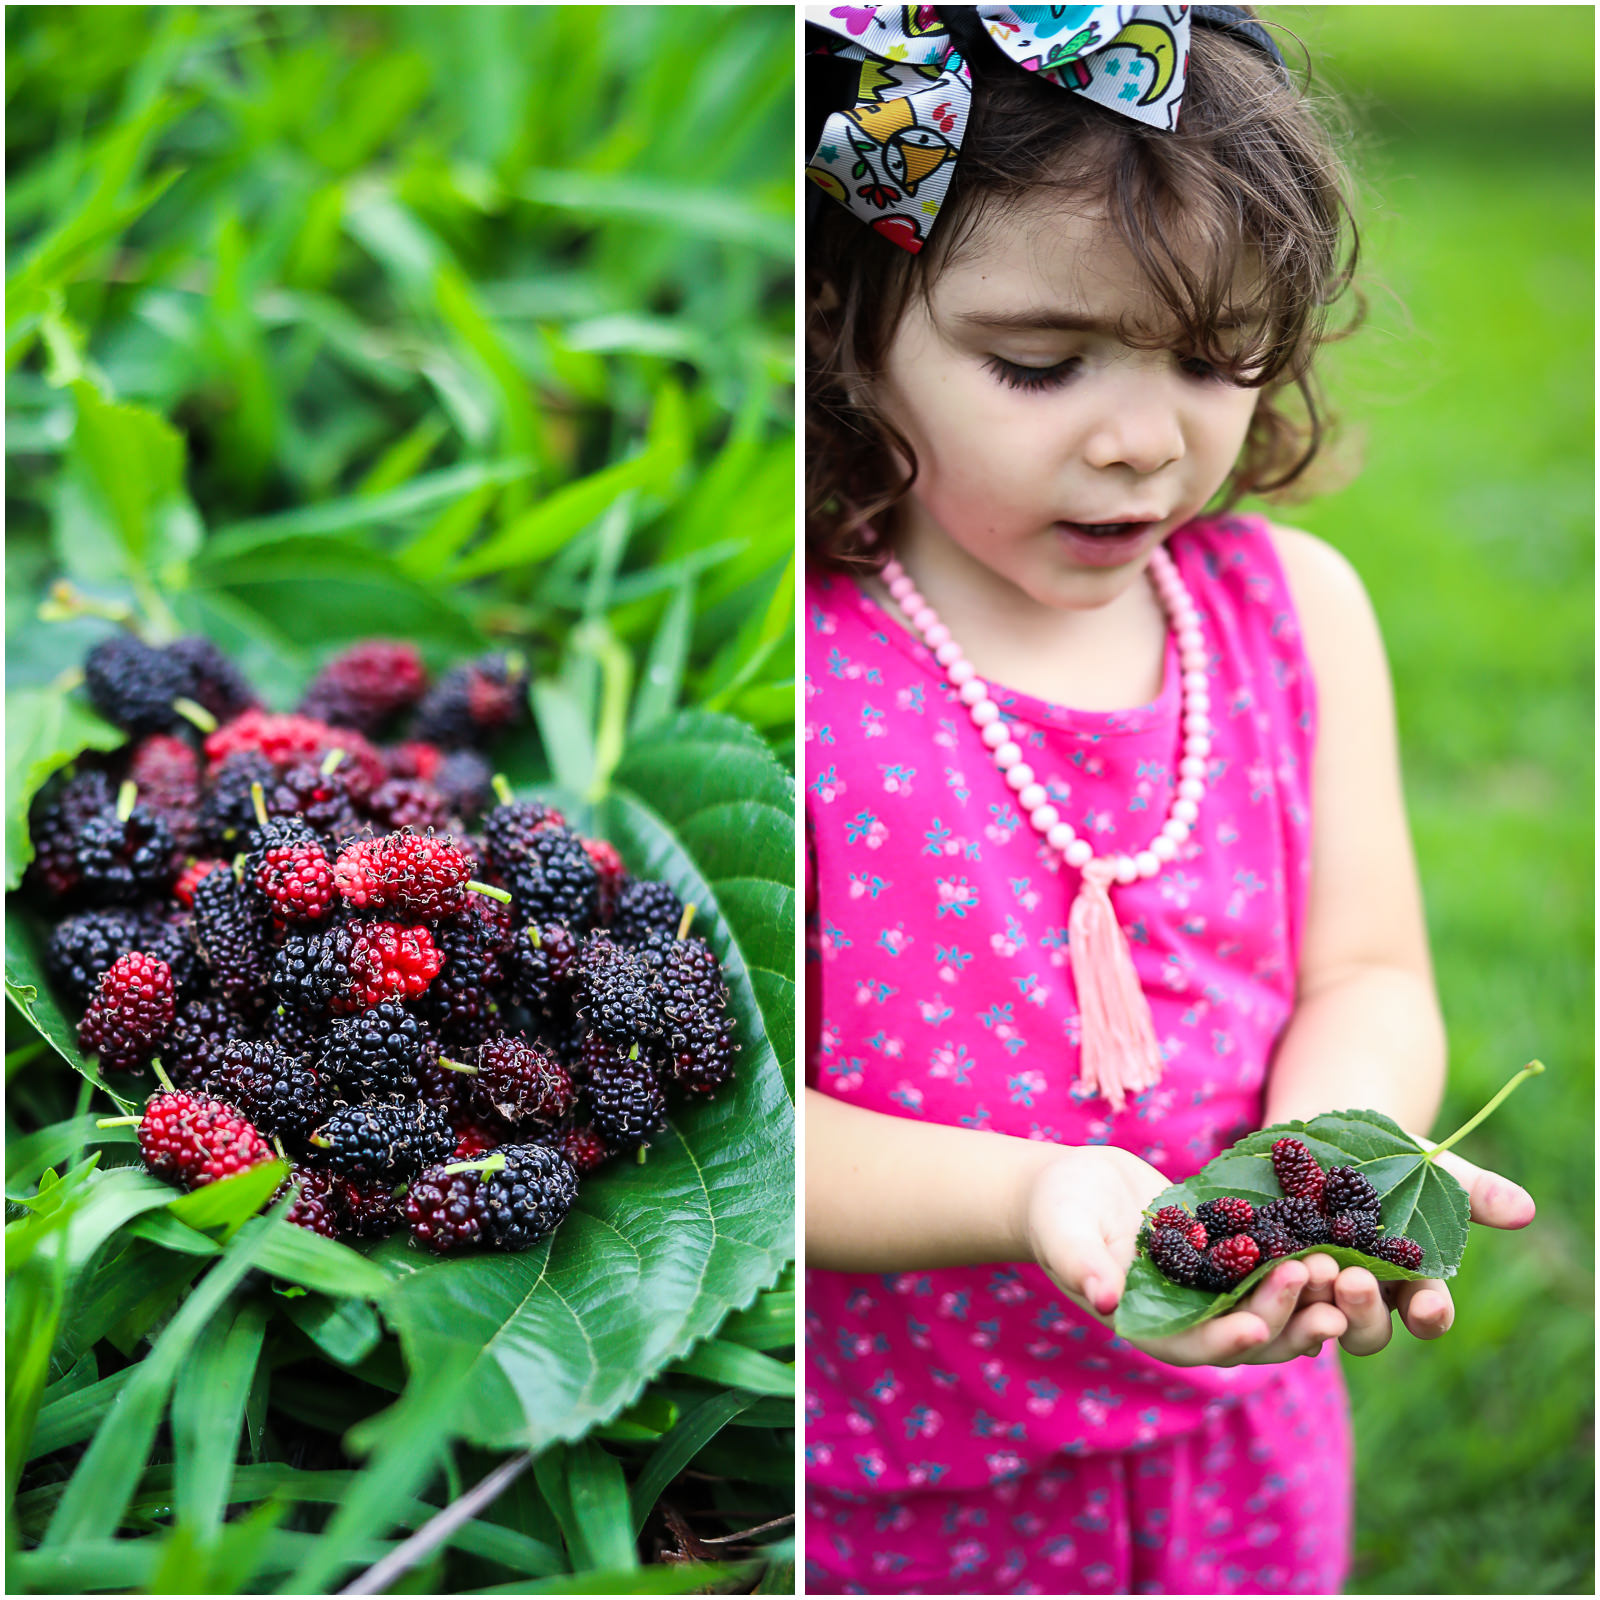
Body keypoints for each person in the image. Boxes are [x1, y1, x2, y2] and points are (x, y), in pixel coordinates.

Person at [801, 7, 1537, 1593]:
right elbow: (758, 1129)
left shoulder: (1291, 614)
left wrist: (1323, 1167)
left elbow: (1367, 974)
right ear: (848, 330)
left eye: (1219, 360)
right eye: (1039, 364)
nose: (1144, 441)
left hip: (1235, 1448)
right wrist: (1035, 1194)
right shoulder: (811, 668)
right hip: (904, 1476)